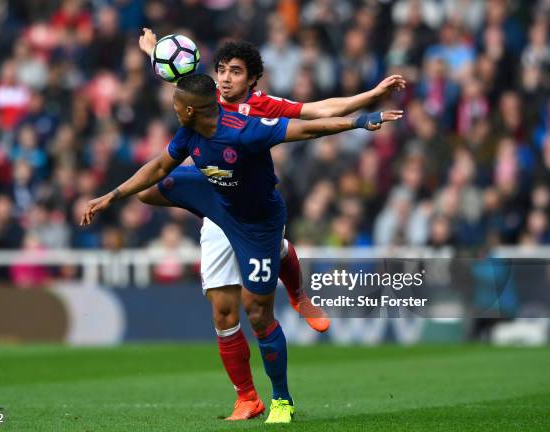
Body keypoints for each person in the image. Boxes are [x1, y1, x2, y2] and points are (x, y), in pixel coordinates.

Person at [81, 73, 403, 423]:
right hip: (219, 203)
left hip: (257, 224)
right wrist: (110, 197)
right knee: (150, 188)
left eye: (176, 106)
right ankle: (247, 399)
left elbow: (309, 128)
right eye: (221, 71)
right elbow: (159, 165)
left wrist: (360, 121)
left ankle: (282, 399)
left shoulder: (245, 129)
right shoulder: (189, 130)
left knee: (258, 314)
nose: (224, 78)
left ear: (189, 109)